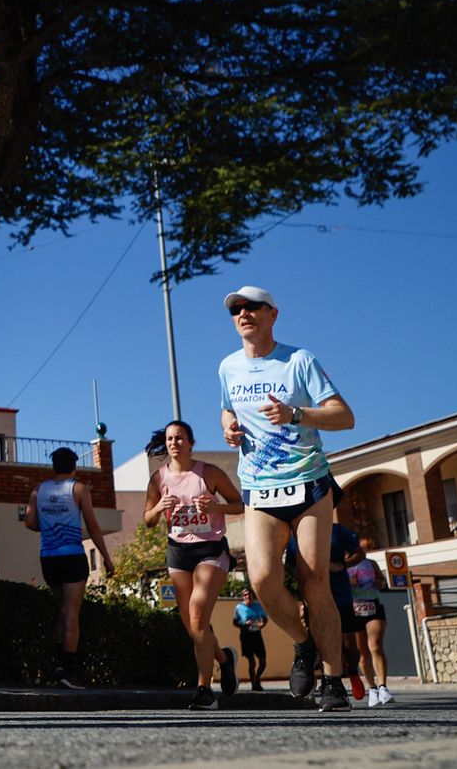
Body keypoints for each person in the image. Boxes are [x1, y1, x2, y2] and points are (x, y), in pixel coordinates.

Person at [218, 285, 355, 713]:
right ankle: (303, 643)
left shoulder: (299, 360)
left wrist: (296, 413)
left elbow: (344, 417)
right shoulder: (227, 368)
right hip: (259, 490)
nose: (243, 314)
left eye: (251, 307)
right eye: (236, 309)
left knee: (314, 581)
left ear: (273, 314)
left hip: (309, 484)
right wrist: (228, 427)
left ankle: (334, 682)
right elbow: (227, 409)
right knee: (260, 580)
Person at [143, 420, 244, 709]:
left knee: (198, 613)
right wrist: (159, 508)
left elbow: (239, 504)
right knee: (191, 625)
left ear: (190, 442)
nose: (174, 443)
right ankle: (224, 660)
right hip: (178, 551)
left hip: (210, 549)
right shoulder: (158, 479)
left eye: (179, 438)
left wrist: (216, 507)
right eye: (169, 438)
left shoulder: (208, 473)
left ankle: (203, 689)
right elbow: (148, 520)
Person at [24, 447, 114, 689]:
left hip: (49, 557)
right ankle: (69, 671)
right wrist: (106, 557)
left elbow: (30, 522)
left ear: (53, 466)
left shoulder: (38, 489)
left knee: (61, 612)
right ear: (74, 467)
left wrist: (50, 529)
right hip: (72, 556)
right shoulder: (78, 488)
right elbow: (93, 526)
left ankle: (57, 666)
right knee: (72, 613)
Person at [286, 520, 363, 701]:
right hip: (313, 597)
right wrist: (303, 573)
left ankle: (353, 672)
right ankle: (327, 681)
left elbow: (359, 554)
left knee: (349, 645)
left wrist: (343, 565)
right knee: (319, 642)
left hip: (341, 595)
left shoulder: (336, 530)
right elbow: (288, 565)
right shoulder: (295, 535)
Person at [347, 537, 395, 707]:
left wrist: (377, 582)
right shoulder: (344, 565)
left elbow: (383, 583)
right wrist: (348, 584)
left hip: (373, 607)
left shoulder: (371, 564)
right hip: (354, 609)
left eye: (367, 548)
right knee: (362, 653)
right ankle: (372, 689)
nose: (364, 551)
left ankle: (383, 687)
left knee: (375, 646)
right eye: (362, 548)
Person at [233, 587, 270, 691]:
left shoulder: (258, 606)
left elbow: (265, 619)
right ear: (242, 597)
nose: (247, 596)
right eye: (245, 595)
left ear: (253, 596)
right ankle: (254, 684)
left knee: (263, 663)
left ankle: (257, 679)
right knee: (252, 662)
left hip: (257, 635)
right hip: (246, 636)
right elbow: (235, 622)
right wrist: (244, 624)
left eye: (249, 594)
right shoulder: (239, 607)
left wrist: (261, 625)